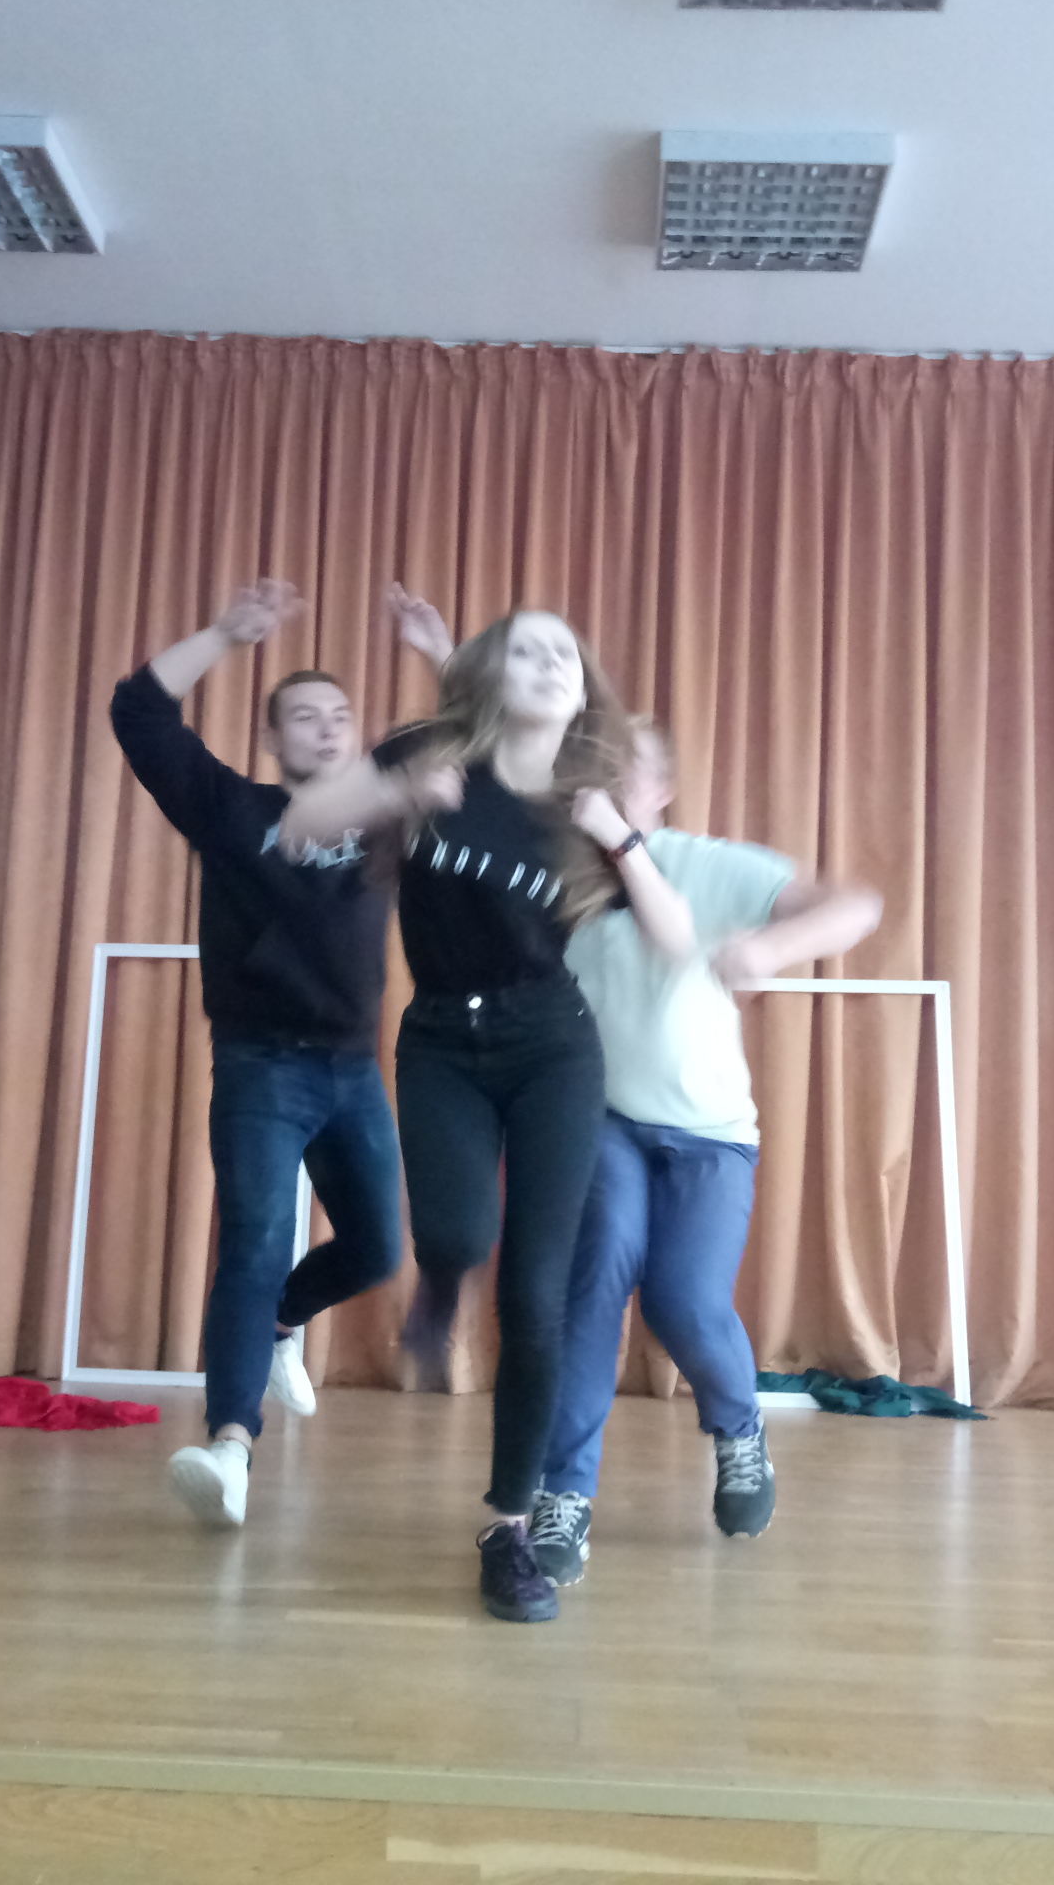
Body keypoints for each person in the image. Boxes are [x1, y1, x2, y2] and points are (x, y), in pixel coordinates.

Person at [281, 595, 691, 1622]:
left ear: (581, 687)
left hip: (553, 1046)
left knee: (536, 1300)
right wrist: (395, 792)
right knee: (458, 1232)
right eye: (526, 649)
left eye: (565, 653)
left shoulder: (588, 798)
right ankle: (440, 1278)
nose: (549, 663)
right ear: (491, 671)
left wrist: (620, 838)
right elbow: (298, 828)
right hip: (440, 1042)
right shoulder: (428, 753)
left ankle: (509, 1529)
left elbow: (676, 939)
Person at [525, 719, 883, 1588]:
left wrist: (767, 947)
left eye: (629, 772)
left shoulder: (707, 865)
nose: (608, 784)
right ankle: (563, 1494)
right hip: (600, 1120)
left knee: (685, 1302)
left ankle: (738, 1427)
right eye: (595, 769)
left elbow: (855, 905)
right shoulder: (553, 875)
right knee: (595, 1276)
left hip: (709, 1134)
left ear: (661, 791)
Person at [108, 579, 423, 1530]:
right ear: (270, 737)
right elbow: (138, 712)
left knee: (378, 1248)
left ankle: (285, 1323)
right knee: (251, 1244)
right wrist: (222, 633)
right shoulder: (230, 809)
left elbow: (489, 754)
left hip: (354, 1069)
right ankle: (230, 1447)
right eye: (304, 717)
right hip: (260, 1066)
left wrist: (438, 652)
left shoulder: (384, 813)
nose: (325, 730)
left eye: (340, 717)